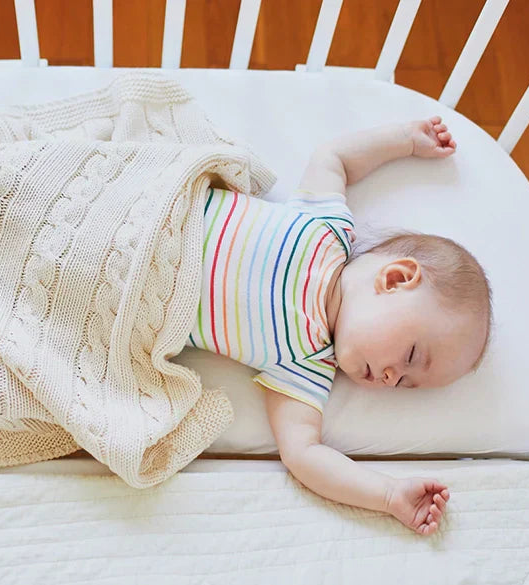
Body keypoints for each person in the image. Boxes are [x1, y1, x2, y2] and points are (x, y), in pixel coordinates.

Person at [188, 116, 492, 535]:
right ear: (396, 279)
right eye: (409, 357)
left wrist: (386, 495)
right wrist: (404, 140)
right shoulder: (325, 231)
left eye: (404, 383)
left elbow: (304, 455)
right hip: (163, 211)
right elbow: (336, 159)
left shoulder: (308, 363)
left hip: (134, 296)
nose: (390, 378)